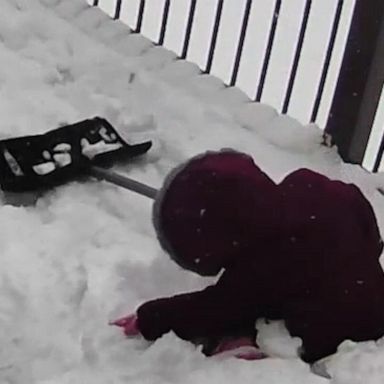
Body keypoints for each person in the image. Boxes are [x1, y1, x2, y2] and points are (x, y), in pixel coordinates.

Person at [112, 149, 384, 363]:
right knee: (292, 284)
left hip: (338, 332)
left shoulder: (258, 268)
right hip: (374, 290)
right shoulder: (309, 184)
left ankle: (249, 345)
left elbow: (210, 308)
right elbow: (363, 217)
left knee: (242, 310)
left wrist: (151, 317)